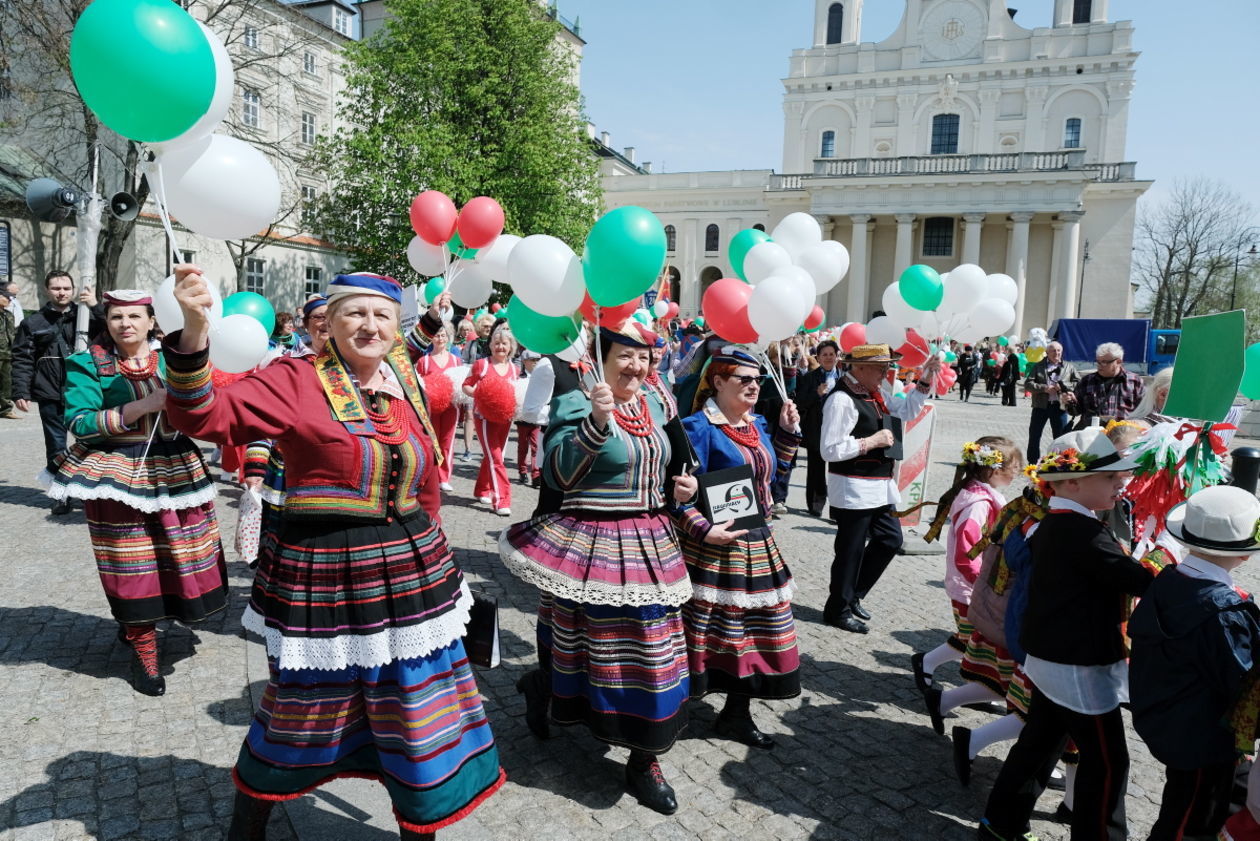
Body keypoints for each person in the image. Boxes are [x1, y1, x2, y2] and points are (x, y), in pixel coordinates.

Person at [164, 268, 504, 841]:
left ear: (396, 327)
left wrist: (440, 552)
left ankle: (420, 825)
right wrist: (195, 333)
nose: (370, 326)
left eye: (382, 316)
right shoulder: (295, 379)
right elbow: (199, 415)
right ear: (330, 321)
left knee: (419, 707)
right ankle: (250, 818)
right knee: (306, 708)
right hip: (329, 576)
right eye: (355, 313)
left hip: (411, 575)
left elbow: (423, 481)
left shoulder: (403, 379)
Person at [501, 319, 697, 816]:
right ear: (601, 356)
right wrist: (596, 420)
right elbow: (558, 473)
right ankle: (542, 686)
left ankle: (644, 758)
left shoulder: (659, 402)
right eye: (625, 355)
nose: (636, 365)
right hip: (592, 543)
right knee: (584, 646)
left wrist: (682, 489)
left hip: (651, 540)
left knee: (654, 654)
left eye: (644, 355)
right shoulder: (576, 399)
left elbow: (674, 464)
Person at [44, 290, 228, 696]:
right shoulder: (86, 364)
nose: (125, 324)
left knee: (181, 554)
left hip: (175, 468)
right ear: (106, 322)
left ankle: (148, 626)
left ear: (151, 320)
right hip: (116, 474)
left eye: (134, 316)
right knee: (130, 563)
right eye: (116, 317)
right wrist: (141, 407)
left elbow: (208, 406)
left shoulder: (174, 358)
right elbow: (80, 422)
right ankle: (144, 648)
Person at [978, 427, 1151, 841]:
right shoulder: (1084, 534)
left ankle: (999, 824)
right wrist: (1168, 557)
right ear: (1071, 482)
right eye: (1110, 477)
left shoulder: (1054, 522)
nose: (1121, 482)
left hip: (1052, 656)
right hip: (1077, 665)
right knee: (1108, 763)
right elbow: (1141, 581)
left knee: (1040, 745)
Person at [675, 346, 801, 748]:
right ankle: (675, 708)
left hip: (756, 542)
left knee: (752, 632)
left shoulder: (757, 423)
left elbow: (774, 476)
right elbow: (671, 494)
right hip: (710, 547)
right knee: (705, 630)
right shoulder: (697, 428)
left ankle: (736, 713)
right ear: (717, 382)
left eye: (757, 379)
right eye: (743, 379)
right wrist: (701, 528)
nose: (753, 385)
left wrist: (785, 434)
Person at [1129, 485, 1260, 841]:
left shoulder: (1168, 578)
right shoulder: (1226, 612)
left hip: (1169, 717)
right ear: (1244, 555)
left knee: (1186, 805)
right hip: (1204, 738)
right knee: (1188, 824)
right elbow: (1244, 684)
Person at [820, 344, 940, 633]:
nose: (886, 373)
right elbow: (830, 449)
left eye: (886, 367)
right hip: (853, 487)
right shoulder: (841, 399)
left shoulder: (875, 393)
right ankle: (837, 608)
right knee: (850, 551)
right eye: (880, 367)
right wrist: (872, 441)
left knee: (890, 540)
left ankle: (854, 594)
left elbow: (907, 411)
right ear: (858, 368)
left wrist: (926, 378)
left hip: (878, 486)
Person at [911, 438, 1021, 709]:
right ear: (995, 471)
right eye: (1015, 468)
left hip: (974, 584)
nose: (1017, 473)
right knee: (975, 639)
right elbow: (965, 555)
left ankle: (971, 685)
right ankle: (933, 665)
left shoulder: (980, 495)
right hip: (971, 586)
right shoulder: (978, 504)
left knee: (973, 638)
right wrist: (987, 584)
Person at [12, 270, 104, 511]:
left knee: (91, 444)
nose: (61, 292)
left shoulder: (85, 316)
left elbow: (112, 327)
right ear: (47, 290)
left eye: (65, 288)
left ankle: (88, 492)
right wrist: (21, 391)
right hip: (50, 392)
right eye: (56, 288)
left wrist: (95, 305)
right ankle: (60, 495)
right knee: (55, 446)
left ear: (73, 290)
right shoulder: (32, 322)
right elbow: (22, 358)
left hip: (84, 391)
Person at [462, 322, 518, 515]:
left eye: (504, 343)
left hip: (505, 418)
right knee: (495, 457)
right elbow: (466, 386)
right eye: (496, 343)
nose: (500, 347)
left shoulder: (514, 369)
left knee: (494, 456)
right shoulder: (482, 365)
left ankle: (481, 489)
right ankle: (502, 500)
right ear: (491, 345)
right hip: (483, 417)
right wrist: (480, 394)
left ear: (511, 346)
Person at [795, 339, 842, 517]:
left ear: (837, 356)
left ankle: (838, 509)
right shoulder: (810, 378)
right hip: (817, 429)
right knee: (815, 469)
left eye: (832, 354)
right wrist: (817, 394)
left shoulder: (845, 378)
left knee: (838, 471)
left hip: (839, 430)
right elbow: (800, 402)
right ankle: (815, 505)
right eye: (825, 355)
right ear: (818, 358)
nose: (829, 358)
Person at [415, 320, 461, 492]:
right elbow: (418, 385)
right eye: (437, 335)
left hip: (451, 406)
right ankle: (430, 474)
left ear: (448, 338)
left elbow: (460, 383)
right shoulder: (424, 361)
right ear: (431, 338)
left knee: (447, 442)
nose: (440, 339)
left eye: (443, 335)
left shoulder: (456, 361)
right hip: (430, 408)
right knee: (431, 441)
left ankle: (444, 477)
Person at [1023, 341, 1080, 463]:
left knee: (1060, 437)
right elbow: (1028, 384)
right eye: (1053, 350)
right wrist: (1044, 388)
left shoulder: (1069, 367)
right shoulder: (1039, 366)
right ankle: (1032, 462)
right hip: (1040, 406)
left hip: (1060, 407)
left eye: (1059, 350)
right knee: (1034, 435)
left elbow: (1078, 383)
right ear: (1047, 352)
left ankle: (1060, 461)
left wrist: (1064, 386)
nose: (1057, 353)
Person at [1072, 342, 1145, 429]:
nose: (1099, 366)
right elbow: (1075, 411)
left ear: (1118, 362)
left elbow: (1144, 412)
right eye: (1098, 362)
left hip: (1122, 436)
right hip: (1091, 436)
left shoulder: (1135, 382)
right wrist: (1069, 402)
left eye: (1104, 362)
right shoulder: (1086, 381)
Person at [515, 350, 552, 488]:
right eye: (532, 359)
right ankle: (522, 470)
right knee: (523, 446)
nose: (536, 362)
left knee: (536, 446)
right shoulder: (520, 378)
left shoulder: (542, 376)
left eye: (538, 359)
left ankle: (536, 474)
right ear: (525, 361)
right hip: (522, 419)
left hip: (537, 419)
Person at [0, 287, 15, 418]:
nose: (10, 300)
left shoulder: (9, 315)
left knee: (7, 382)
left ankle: (6, 410)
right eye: (7, 297)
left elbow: (11, 334)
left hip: (7, 353)